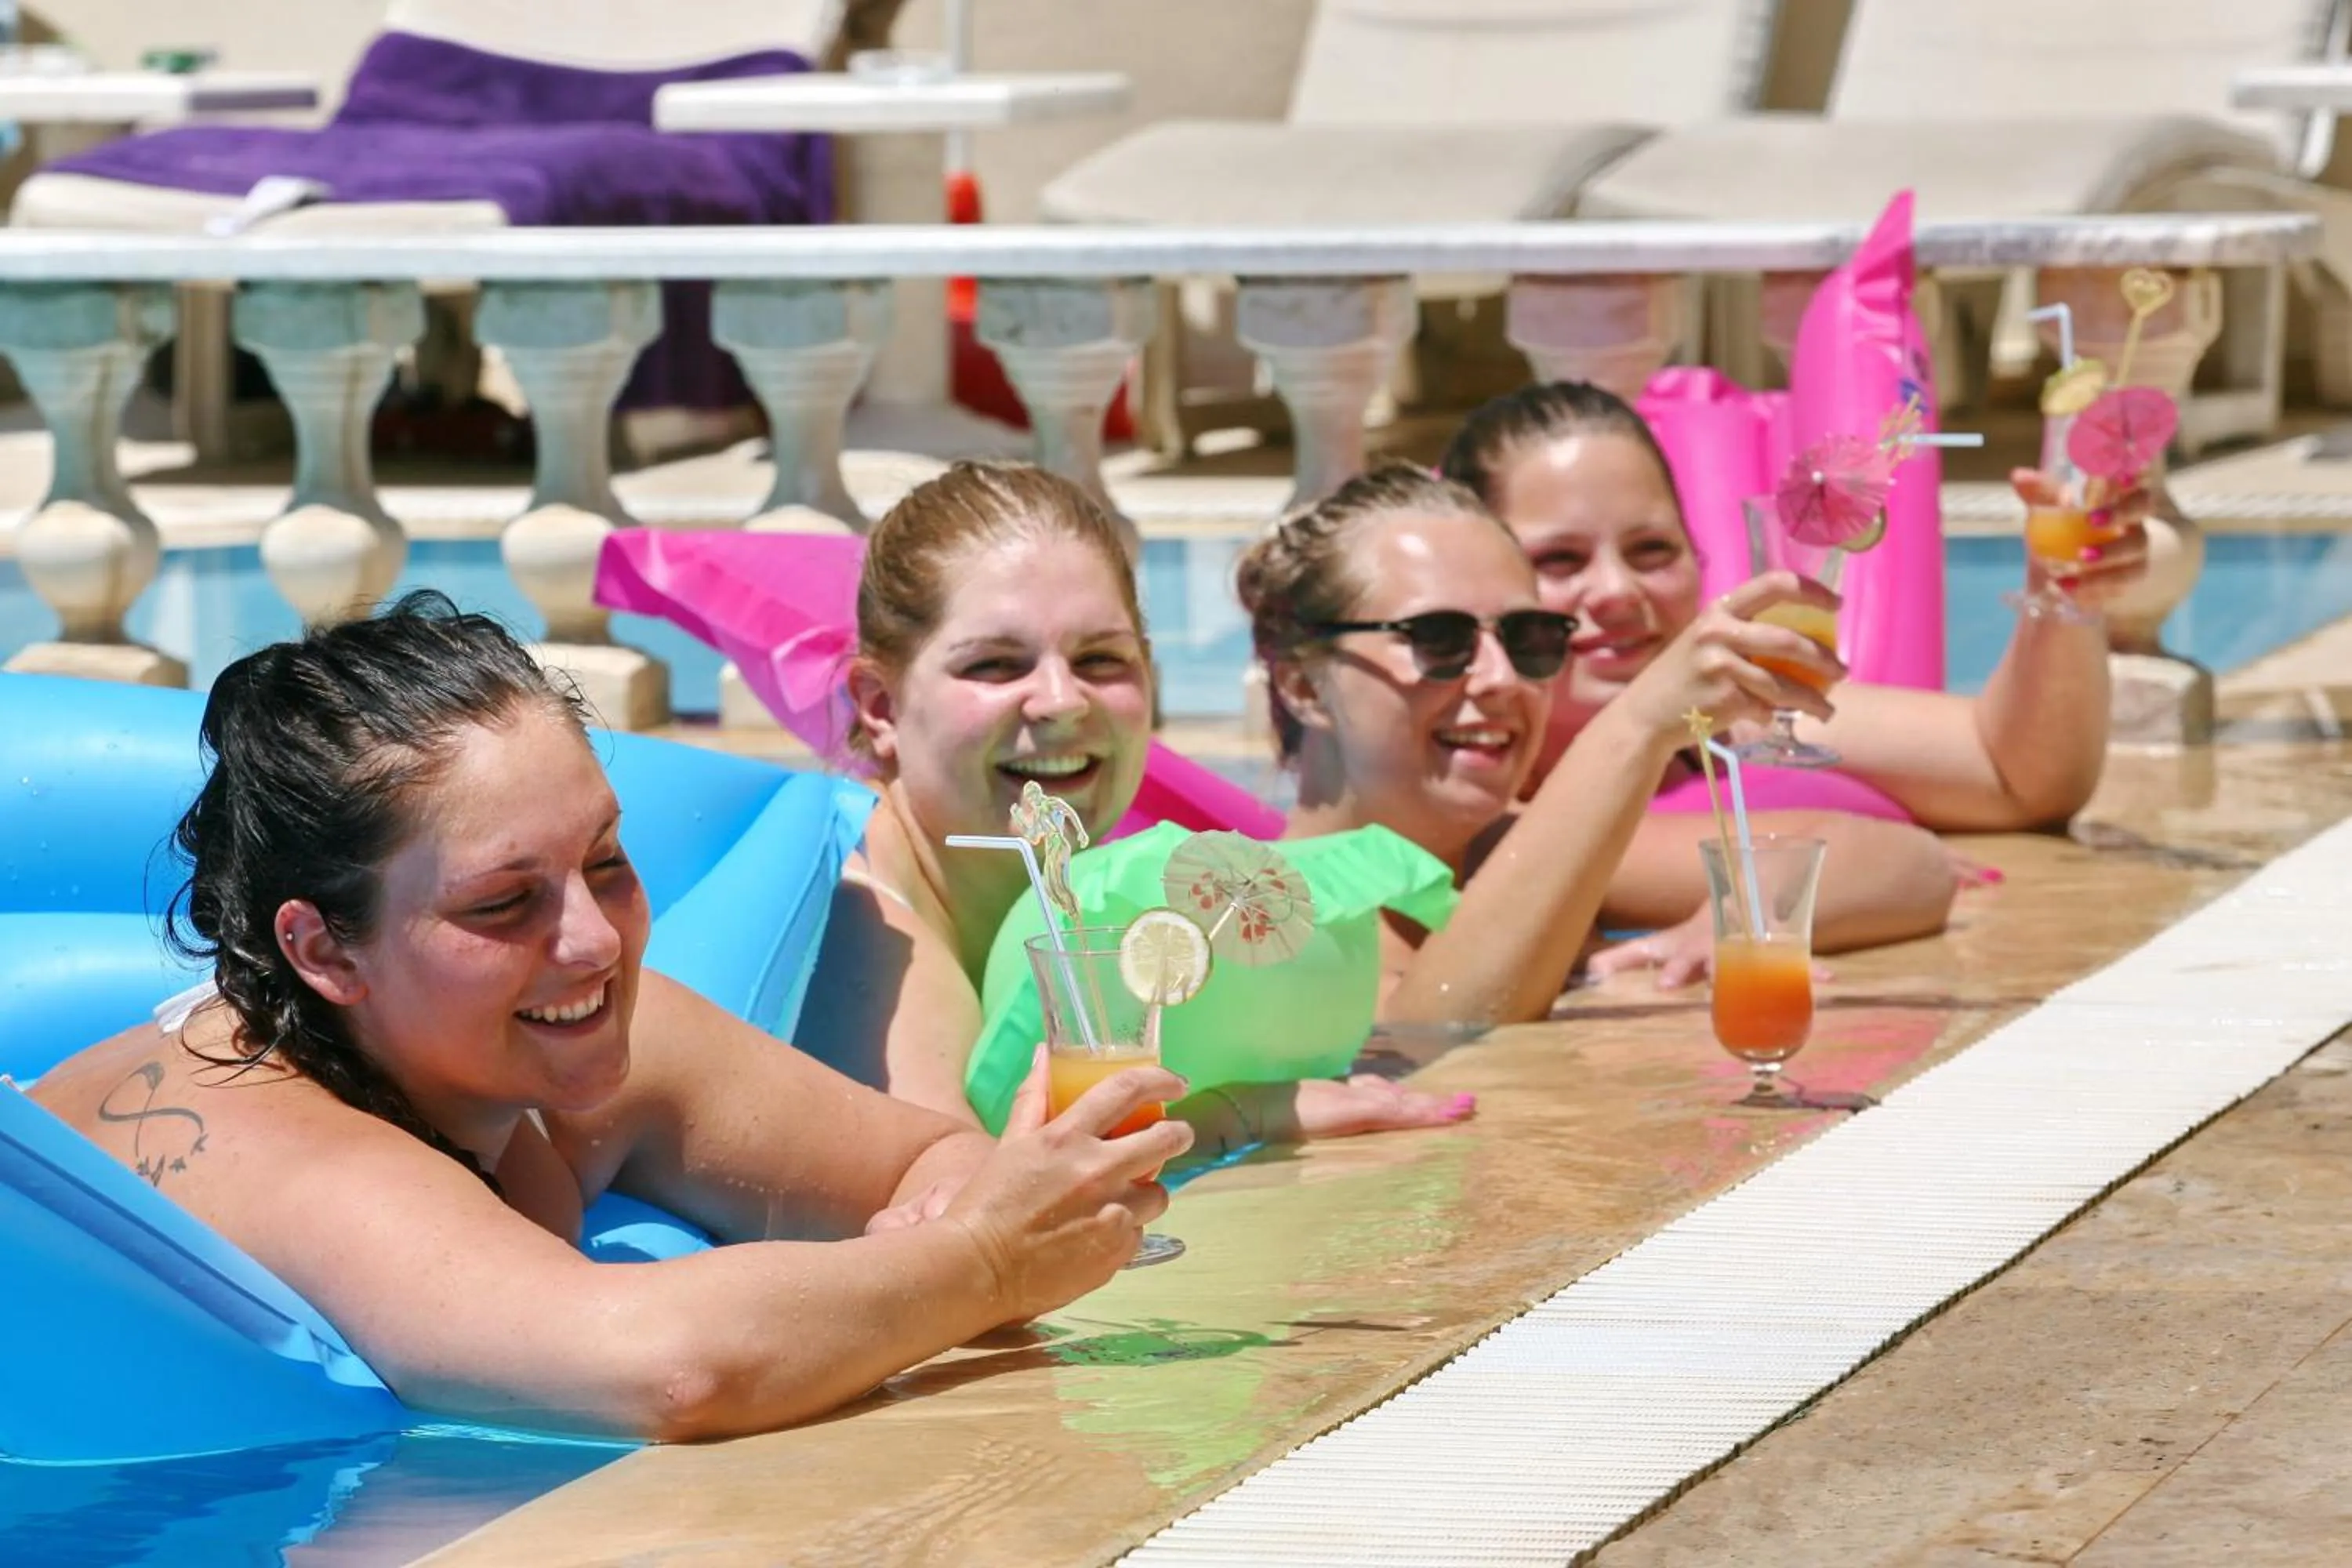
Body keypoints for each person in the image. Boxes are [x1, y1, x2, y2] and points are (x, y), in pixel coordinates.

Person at [30, 592, 1192, 1442]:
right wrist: (978, 1261)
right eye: (503, 903)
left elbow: (918, 1158)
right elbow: (668, 1373)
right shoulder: (289, 1149)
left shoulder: (554, 1029)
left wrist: (960, 1222)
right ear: (324, 949)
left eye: (606, 861)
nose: (595, 940)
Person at [794, 461, 1472, 1151]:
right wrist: (1238, 1115)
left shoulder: (1100, 892)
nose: (1062, 701)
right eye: (994, 665)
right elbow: (968, 1201)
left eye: (1100, 660)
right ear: (880, 707)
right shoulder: (866, 931)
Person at [1438, 381, 2154, 984]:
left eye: (1651, 549)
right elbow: (1884, 862)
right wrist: (1758, 908)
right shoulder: (1492, 808)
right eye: (1560, 560)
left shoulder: (1742, 715)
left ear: (1699, 557)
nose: (1619, 592)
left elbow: (2019, 776)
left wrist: (2063, 595)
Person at [1236, 463, 1959, 1025]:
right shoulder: (1263, 912)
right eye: (1439, 639)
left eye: (1529, 638)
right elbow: (1437, 1032)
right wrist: (1639, 726)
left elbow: (1909, 866)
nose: (1501, 678)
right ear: (1302, 685)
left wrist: (1736, 919)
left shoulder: (1498, 851)